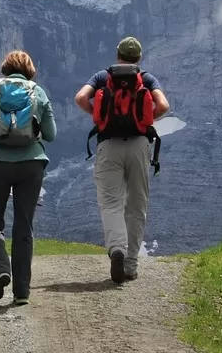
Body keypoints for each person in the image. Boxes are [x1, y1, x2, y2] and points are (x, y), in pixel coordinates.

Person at [74, 36, 171, 285]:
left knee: (110, 203)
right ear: (138, 57)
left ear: (118, 55)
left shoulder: (101, 77)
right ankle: (130, 264)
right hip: (139, 145)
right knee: (137, 205)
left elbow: (80, 98)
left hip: (108, 144)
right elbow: (164, 105)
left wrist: (99, 117)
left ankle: (117, 248)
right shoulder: (147, 79)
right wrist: (145, 121)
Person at [0, 50, 57, 306]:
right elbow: (51, 134)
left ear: (5, 68)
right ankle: (22, 293)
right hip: (31, 164)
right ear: (30, 69)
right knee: (24, 226)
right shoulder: (38, 92)